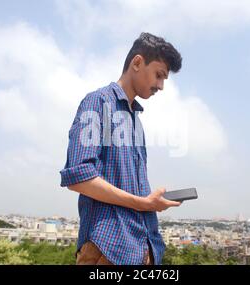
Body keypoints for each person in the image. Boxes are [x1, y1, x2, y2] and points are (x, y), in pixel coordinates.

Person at [60, 32, 183, 265]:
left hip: (141, 247)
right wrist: (144, 203)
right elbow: (79, 177)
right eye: (159, 75)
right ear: (137, 62)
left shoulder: (136, 119)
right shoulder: (98, 102)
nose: (161, 86)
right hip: (108, 248)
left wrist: (151, 202)